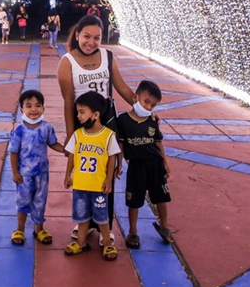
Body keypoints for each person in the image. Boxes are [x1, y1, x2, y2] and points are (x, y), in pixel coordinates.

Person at [57, 15, 149, 246]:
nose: (91, 42)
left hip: (107, 124)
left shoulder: (108, 56)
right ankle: (84, 223)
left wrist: (143, 110)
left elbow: (123, 89)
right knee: (83, 176)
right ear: (77, 35)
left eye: (97, 37)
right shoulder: (67, 62)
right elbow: (68, 101)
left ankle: (104, 225)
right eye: (87, 36)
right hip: (82, 125)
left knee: (106, 176)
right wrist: (71, 137)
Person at [63, 91, 120, 261]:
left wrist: (109, 179)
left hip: (98, 186)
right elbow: (72, 155)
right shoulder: (78, 134)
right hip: (80, 185)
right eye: (78, 112)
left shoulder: (108, 135)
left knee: (102, 217)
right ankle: (81, 242)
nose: (79, 116)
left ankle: (108, 243)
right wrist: (68, 175)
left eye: (82, 112)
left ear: (95, 114)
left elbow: (112, 158)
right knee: (82, 216)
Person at [116, 80, 173, 247]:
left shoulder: (152, 121)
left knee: (161, 198)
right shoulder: (123, 120)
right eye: (146, 102)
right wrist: (119, 163)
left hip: (155, 165)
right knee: (133, 200)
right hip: (136, 166)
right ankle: (133, 232)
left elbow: (158, 142)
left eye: (153, 105)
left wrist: (165, 163)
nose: (148, 107)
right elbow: (121, 144)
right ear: (135, 97)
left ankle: (164, 227)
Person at [8, 90, 65, 246]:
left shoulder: (47, 127)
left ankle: (39, 228)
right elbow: (13, 153)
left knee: (40, 201)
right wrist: (15, 172)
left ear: (43, 109)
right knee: (23, 201)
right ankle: (19, 229)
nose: (34, 109)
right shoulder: (19, 131)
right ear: (22, 110)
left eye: (37, 106)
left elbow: (52, 143)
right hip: (24, 175)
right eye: (29, 106)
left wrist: (65, 150)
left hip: (42, 175)